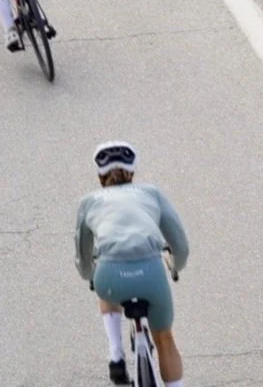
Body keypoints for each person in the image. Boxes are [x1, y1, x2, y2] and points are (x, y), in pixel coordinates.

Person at [76, 142, 190, 386]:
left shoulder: (88, 201)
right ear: (132, 171)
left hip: (111, 279)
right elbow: (180, 244)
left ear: (99, 174)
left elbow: (83, 256)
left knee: (102, 278)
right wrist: (175, 266)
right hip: (151, 275)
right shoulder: (151, 193)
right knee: (165, 339)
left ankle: (116, 354)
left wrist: (90, 275)